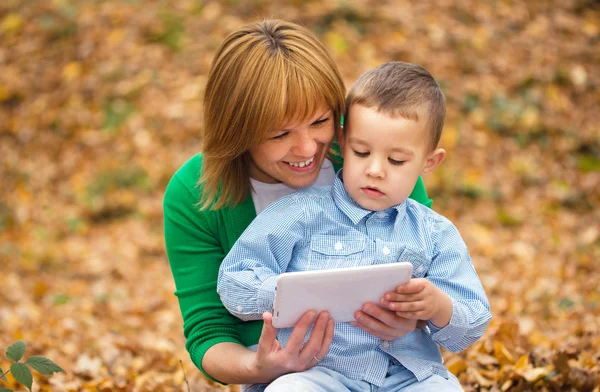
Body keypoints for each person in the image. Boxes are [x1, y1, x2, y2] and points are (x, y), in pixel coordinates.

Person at [163, 20, 433, 386]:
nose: (307, 149)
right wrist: (259, 368)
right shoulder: (194, 193)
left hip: (395, 371)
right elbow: (208, 331)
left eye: (320, 121)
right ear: (236, 131)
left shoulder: (374, 153)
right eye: (280, 133)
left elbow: (435, 272)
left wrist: (415, 317)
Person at [217, 61, 492, 391]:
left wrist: (437, 306)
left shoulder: (435, 233)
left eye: (396, 160)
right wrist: (284, 293)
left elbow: (473, 321)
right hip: (318, 372)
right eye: (362, 152)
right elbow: (234, 278)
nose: (375, 170)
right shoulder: (299, 213)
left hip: (407, 376)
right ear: (343, 142)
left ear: (429, 162)